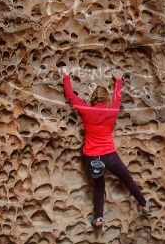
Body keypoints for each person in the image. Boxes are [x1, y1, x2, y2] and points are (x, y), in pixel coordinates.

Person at [61, 66, 152, 229]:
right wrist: (118, 80)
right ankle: (145, 205)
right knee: (127, 179)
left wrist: (66, 76)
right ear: (106, 100)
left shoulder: (86, 110)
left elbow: (70, 95)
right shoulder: (113, 110)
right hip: (109, 155)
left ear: (93, 100)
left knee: (99, 185)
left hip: (92, 156)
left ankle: (98, 219)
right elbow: (118, 97)